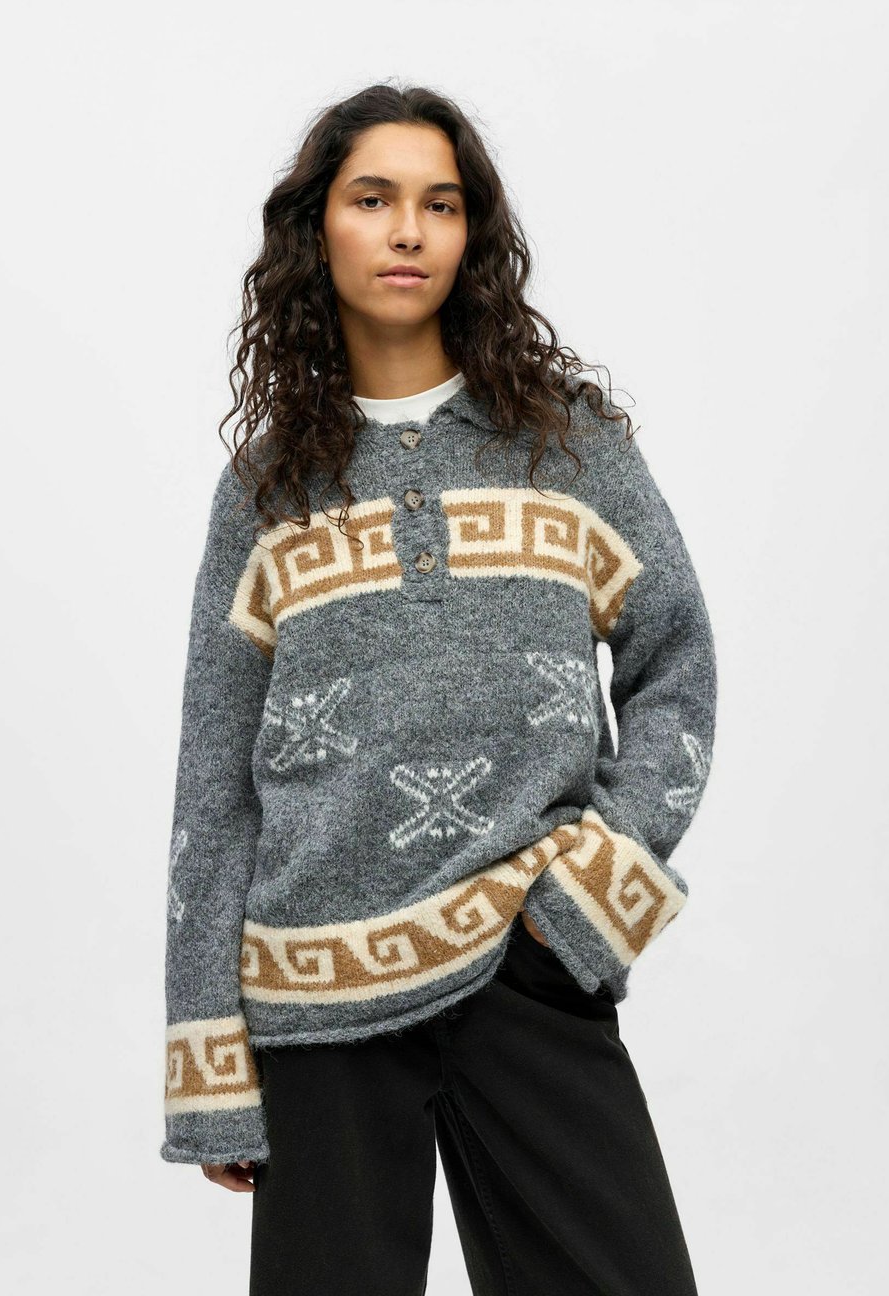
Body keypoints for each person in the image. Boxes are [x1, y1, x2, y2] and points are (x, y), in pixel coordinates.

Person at [160, 81, 717, 1296]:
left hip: (531, 960)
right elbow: (215, 782)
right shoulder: (266, 489)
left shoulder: (569, 446)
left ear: (473, 235)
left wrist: (589, 904)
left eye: (441, 203)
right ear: (319, 230)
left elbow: (677, 667)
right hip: (319, 997)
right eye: (373, 199)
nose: (408, 230)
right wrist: (211, 1063)